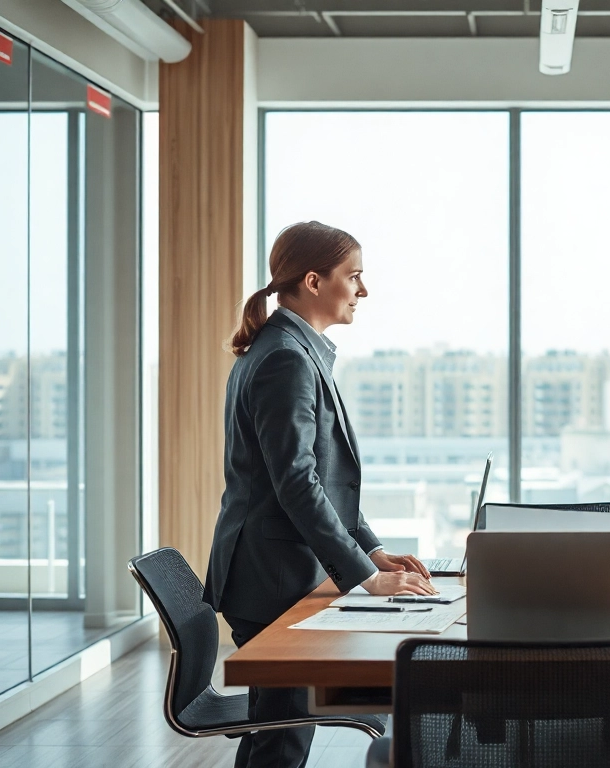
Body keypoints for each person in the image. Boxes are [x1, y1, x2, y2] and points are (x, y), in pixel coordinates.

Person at [204, 221, 436, 768]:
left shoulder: (290, 349)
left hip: (274, 573)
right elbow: (297, 484)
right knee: (282, 741)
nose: (363, 290)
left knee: (276, 735)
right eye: (353, 276)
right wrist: (367, 576)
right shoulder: (286, 357)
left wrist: (371, 550)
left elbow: (323, 481)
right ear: (313, 281)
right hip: (272, 579)